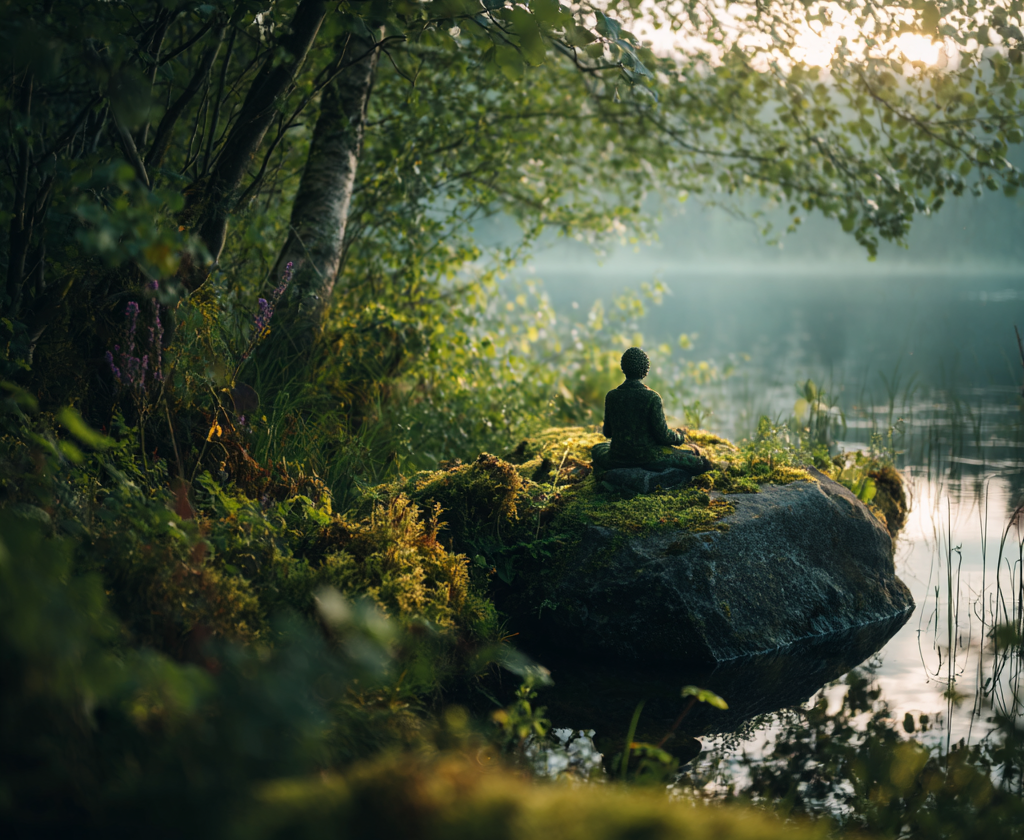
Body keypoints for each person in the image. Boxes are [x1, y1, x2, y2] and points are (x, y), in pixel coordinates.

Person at [591, 347, 712, 478]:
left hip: (617, 458)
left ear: (623, 368)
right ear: (645, 370)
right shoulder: (652, 397)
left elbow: (607, 433)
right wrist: (679, 436)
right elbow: (663, 436)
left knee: (598, 448)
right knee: (698, 462)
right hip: (649, 457)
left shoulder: (612, 396)